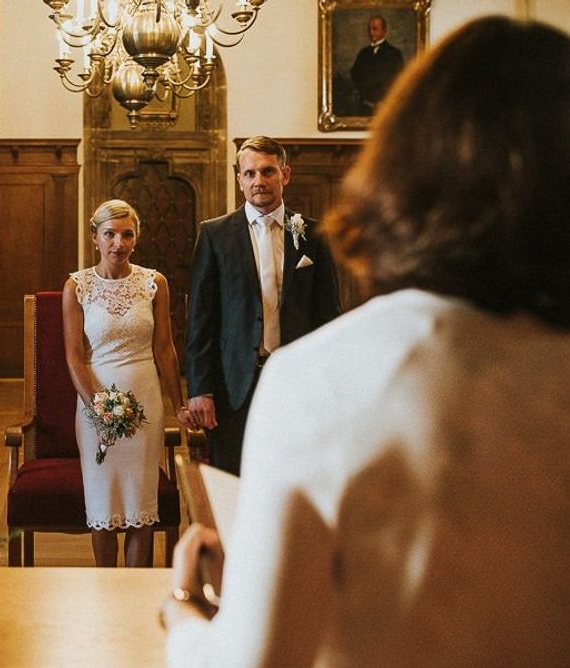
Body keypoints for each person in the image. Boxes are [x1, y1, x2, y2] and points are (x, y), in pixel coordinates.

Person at [163, 17, 570, 665]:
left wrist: (184, 612)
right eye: (249, 172)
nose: (258, 181)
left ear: (407, 171)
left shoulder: (318, 381)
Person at [185, 136, 341, 475]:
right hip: (233, 383)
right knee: (234, 477)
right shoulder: (215, 235)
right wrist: (200, 389)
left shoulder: (314, 235)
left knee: (294, 476)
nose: (259, 181)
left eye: (267, 171)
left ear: (284, 174)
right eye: (250, 173)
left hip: (295, 380)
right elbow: (200, 320)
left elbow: (328, 318)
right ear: (239, 179)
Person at [63, 199, 197, 568]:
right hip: (95, 401)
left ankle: (136, 593)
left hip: (145, 400)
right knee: (103, 503)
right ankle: (105, 587)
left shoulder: (154, 283)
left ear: (136, 239)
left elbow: (165, 349)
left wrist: (179, 404)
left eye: (127, 234)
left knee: (141, 505)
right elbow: (73, 355)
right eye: (109, 234)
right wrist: (97, 406)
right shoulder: (77, 286)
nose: (118, 243)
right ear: (95, 237)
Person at [350, 16, 404, 116]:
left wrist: (384, 100)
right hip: (365, 105)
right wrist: (365, 95)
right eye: (369, 29)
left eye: (375, 29)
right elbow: (355, 74)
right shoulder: (363, 53)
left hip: (386, 106)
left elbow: (398, 79)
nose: (371, 33)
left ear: (384, 30)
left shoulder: (394, 53)